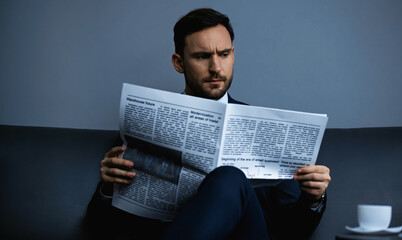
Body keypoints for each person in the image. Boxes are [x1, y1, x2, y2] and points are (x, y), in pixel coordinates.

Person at [86, 8, 331, 240]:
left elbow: (293, 232)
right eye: (202, 56)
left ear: (233, 55)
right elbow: (101, 230)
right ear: (178, 62)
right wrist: (107, 189)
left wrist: (313, 198)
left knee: (230, 178)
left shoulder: (270, 132)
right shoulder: (143, 126)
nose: (216, 68)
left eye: (223, 54)